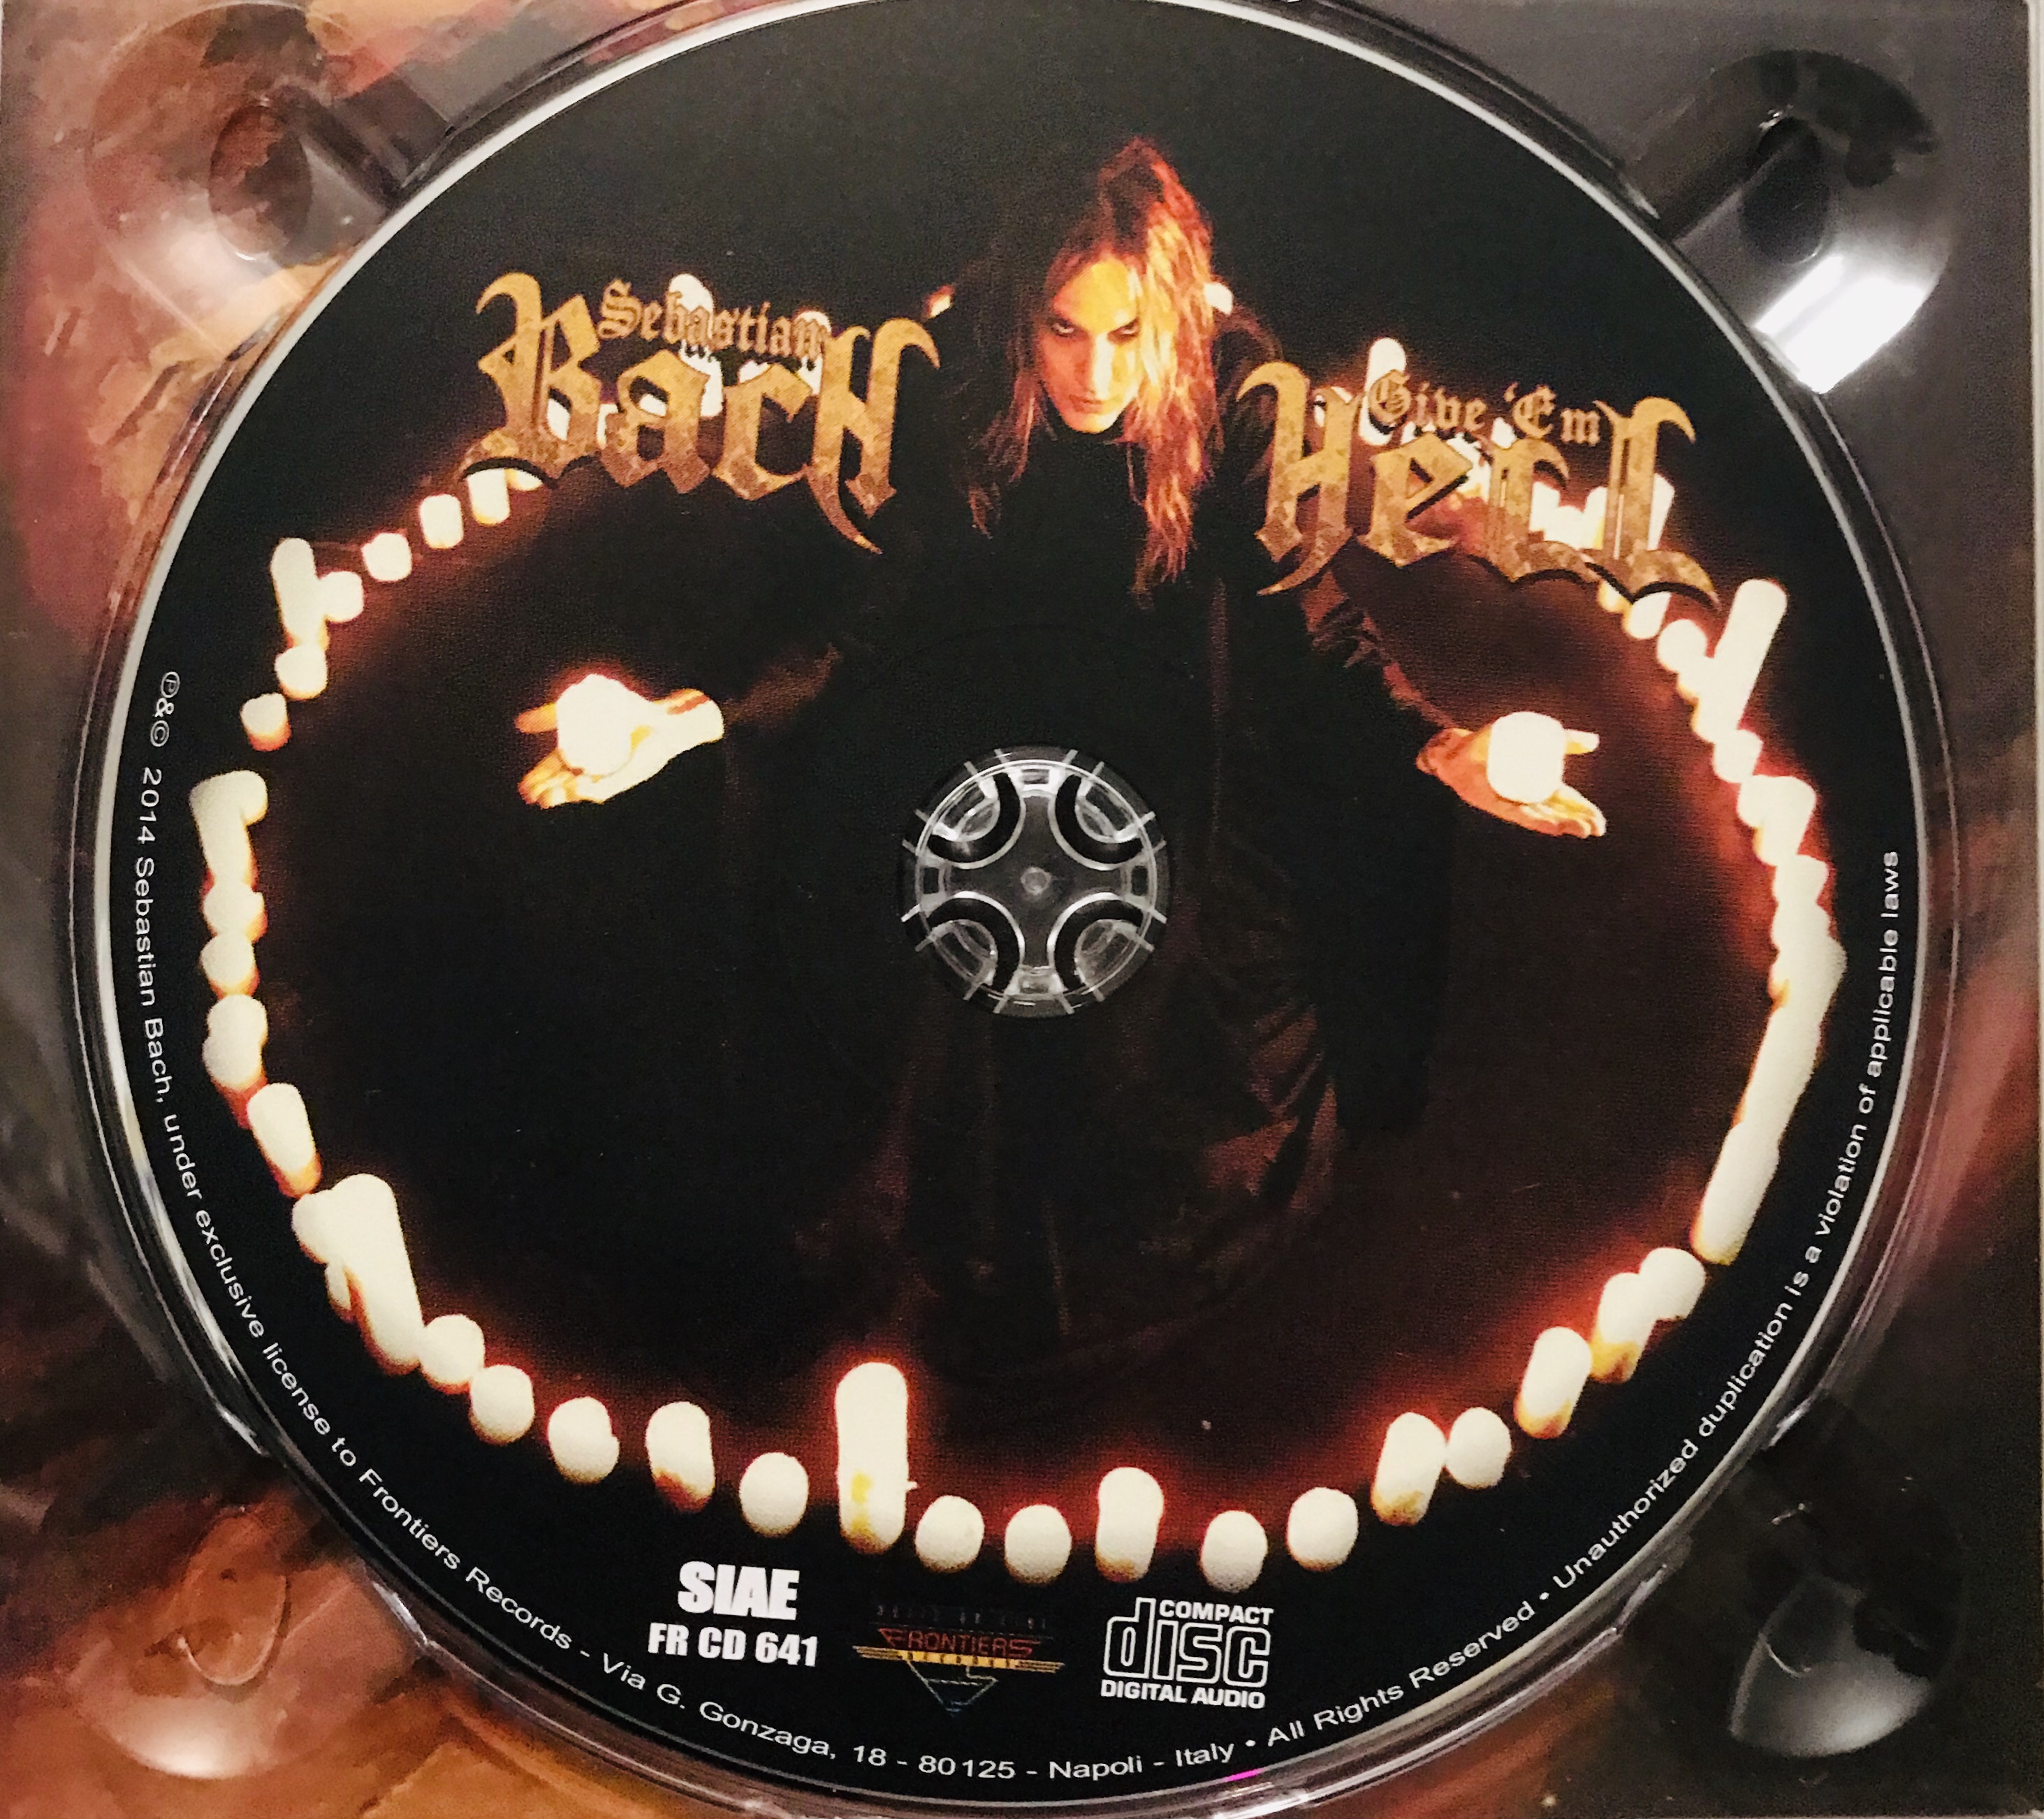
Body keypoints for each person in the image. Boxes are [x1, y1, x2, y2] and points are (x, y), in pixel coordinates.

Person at [513, 138, 1604, 1397]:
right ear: (1019, 314)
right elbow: (871, 609)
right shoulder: (960, 374)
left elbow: (1307, 614)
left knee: (1160, 1049)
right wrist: (697, 717)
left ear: (1173, 318)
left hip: (1163, 731)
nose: (1094, 373)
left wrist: (1440, 740)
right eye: (1063, 331)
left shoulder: (1239, 398)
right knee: (904, 1027)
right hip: (970, 710)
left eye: (1128, 334)